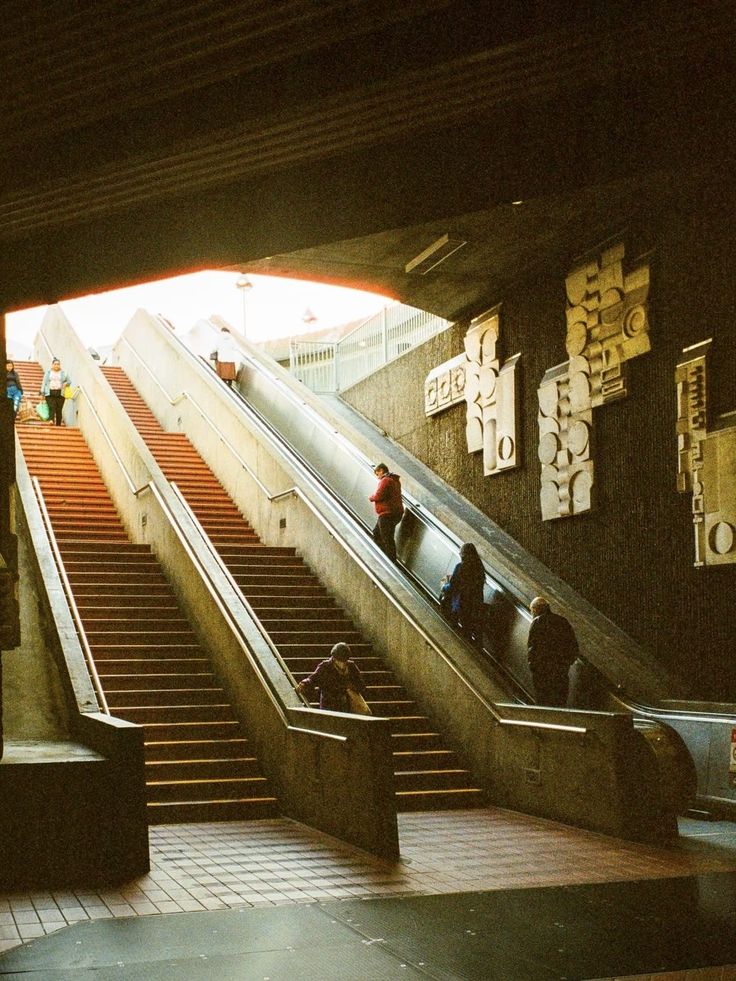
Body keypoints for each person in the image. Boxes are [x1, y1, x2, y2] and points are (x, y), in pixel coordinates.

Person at [526, 596, 579, 707]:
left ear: (535, 609)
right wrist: (566, 663)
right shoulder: (563, 621)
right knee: (559, 701)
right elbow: (573, 646)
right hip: (560, 672)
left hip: (542, 672)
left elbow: (532, 647)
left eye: (532, 611)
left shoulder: (537, 622)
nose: (532, 613)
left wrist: (533, 667)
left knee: (543, 702)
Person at [294, 642, 371, 714]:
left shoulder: (351, 666)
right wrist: (304, 683)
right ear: (334, 658)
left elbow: (361, 684)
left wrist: (351, 687)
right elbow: (313, 678)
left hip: (347, 705)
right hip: (329, 705)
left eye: (345, 661)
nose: (343, 664)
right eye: (340, 661)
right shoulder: (325, 666)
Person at [440, 542, 486, 648]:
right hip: (475, 605)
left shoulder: (461, 567)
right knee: (467, 629)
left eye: (460, 553)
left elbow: (452, 586)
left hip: (461, 604)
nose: (459, 554)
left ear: (463, 554)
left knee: (458, 627)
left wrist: (444, 585)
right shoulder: (479, 568)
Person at [369, 462, 404, 562]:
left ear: (381, 470)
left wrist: (371, 497)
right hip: (395, 513)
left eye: (377, 473)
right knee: (378, 533)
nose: (377, 477)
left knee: (385, 537)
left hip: (387, 513)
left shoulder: (386, 480)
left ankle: (390, 560)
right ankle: (386, 557)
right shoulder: (394, 480)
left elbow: (379, 495)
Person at [40, 357, 72, 427]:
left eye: (58, 364)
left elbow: (69, 381)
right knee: (51, 406)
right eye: (55, 364)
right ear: (52, 365)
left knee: (59, 410)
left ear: (60, 365)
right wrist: (42, 393)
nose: (56, 365)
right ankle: (51, 420)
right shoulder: (48, 373)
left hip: (60, 393)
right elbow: (44, 383)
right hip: (49, 392)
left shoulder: (64, 373)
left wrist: (66, 383)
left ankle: (58, 425)